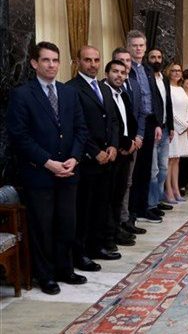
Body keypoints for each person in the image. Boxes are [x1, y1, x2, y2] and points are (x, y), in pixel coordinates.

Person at [7, 41, 88, 295]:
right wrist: (48, 162)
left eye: (55, 60)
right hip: (39, 174)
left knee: (67, 224)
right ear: (34, 63)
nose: (51, 65)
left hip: (68, 171)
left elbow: (81, 129)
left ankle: (66, 269)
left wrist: (74, 158)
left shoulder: (69, 93)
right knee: (43, 227)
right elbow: (19, 136)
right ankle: (46, 276)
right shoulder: (22, 95)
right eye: (46, 60)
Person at [66, 46, 120, 264]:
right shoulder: (71, 89)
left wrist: (114, 145)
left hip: (107, 158)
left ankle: (97, 246)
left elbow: (113, 120)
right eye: (88, 60)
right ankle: (80, 253)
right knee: (84, 208)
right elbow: (76, 126)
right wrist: (94, 151)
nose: (93, 64)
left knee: (101, 205)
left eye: (96, 60)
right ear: (78, 62)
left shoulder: (104, 88)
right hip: (87, 160)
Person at [127, 31, 164, 224]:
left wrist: (157, 123)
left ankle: (143, 208)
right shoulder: (126, 69)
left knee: (146, 169)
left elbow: (154, 97)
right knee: (133, 171)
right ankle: (131, 211)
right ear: (128, 47)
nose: (138, 49)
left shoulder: (148, 69)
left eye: (141, 45)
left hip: (149, 122)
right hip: (134, 124)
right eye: (134, 45)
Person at [103, 59, 138, 249]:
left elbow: (129, 121)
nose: (119, 75)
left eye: (123, 73)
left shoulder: (123, 94)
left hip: (126, 151)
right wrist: (122, 144)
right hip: (112, 152)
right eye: (115, 71)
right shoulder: (103, 93)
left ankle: (117, 229)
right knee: (109, 197)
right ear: (107, 73)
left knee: (119, 194)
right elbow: (109, 125)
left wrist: (131, 141)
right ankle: (109, 234)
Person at [112, 47, 147, 236]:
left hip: (134, 142)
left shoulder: (134, 84)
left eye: (127, 61)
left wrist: (138, 137)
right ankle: (117, 223)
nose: (125, 64)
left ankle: (126, 219)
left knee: (129, 182)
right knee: (117, 186)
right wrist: (124, 143)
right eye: (121, 61)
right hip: (118, 146)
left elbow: (141, 113)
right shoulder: (107, 87)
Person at [146, 48, 174, 219]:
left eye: (159, 57)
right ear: (148, 59)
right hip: (153, 129)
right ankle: (151, 204)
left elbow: (167, 103)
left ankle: (158, 198)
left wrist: (171, 126)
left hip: (164, 128)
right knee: (154, 170)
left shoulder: (164, 78)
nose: (156, 60)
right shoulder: (147, 78)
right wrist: (155, 124)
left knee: (163, 168)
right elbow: (149, 105)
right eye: (153, 57)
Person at [166, 64, 188, 202]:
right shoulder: (167, 88)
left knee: (177, 159)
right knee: (170, 159)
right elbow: (170, 111)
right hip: (173, 129)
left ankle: (176, 189)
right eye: (173, 70)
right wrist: (181, 125)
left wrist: (187, 124)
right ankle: (168, 190)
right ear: (169, 72)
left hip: (183, 129)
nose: (176, 73)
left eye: (179, 70)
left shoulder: (181, 89)